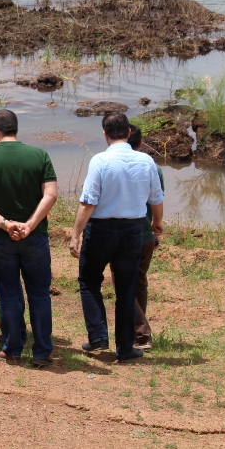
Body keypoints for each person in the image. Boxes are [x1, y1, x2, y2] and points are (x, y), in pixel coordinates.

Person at [69, 113, 164, 363]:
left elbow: (88, 202)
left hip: (101, 230)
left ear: (105, 134)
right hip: (132, 230)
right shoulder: (146, 161)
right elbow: (157, 198)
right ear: (129, 133)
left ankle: (99, 335)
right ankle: (124, 348)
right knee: (126, 289)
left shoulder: (100, 160)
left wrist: (75, 234)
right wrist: (157, 223)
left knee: (89, 281)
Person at [0, 110, 58, 367]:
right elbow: (50, 195)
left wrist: (6, 224)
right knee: (39, 295)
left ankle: (12, 348)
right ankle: (42, 351)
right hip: (35, 237)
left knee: (8, 294)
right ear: (16, 129)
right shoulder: (40, 156)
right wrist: (29, 225)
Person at [126, 123, 164, 351]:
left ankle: (141, 333)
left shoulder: (110, 163)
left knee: (124, 283)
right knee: (139, 280)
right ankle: (136, 332)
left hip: (124, 233)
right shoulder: (153, 167)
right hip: (146, 233)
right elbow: (157, 200)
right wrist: (157, 227)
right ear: (140, 143)